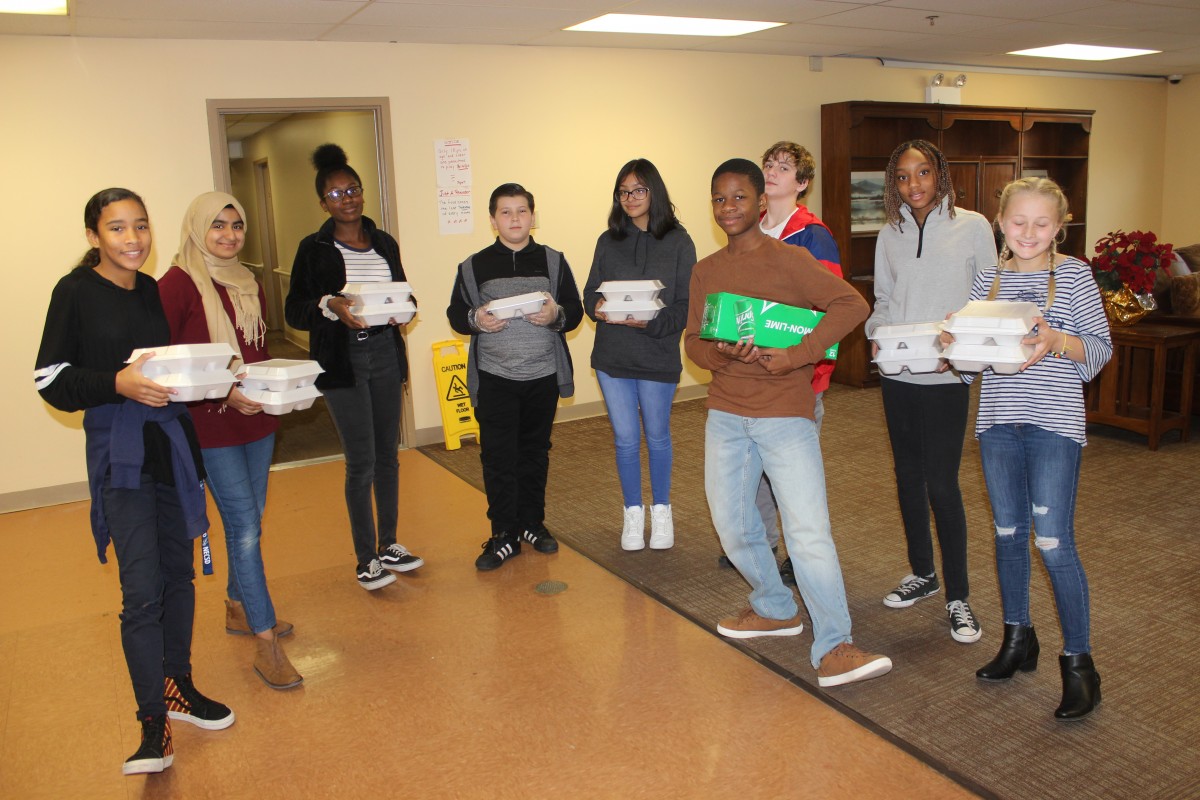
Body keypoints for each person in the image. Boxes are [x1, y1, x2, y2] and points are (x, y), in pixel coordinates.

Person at [34, 188, 234, 776]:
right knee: (141, 590)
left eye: (140, 226)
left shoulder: (150, 289)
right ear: (94, 236)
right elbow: (51, 380)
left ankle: (181, 688)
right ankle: (153, 721)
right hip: (120, 458)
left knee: (178, 577)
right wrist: (115, 384)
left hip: (170, 451)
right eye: (117, 229)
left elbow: (163, 367)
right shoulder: (74, 293)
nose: (132, 239)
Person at [684, 159, 891, 688]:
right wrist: (723, 353)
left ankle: (835, 644)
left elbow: (851, 304)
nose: (728, 208)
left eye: (738, 198)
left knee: (807, 532)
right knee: (733, 526)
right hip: (726, 414)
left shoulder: (791, 259)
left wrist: (797, 354)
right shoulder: (707, 269)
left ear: (759, 202)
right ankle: (775, 607)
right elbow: (693, 343)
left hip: (784, 415)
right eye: (719, 199)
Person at [952, 177, 1110, 720]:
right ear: (1000, 222)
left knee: (1053, 542)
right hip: (997, 423)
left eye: (1042, 224)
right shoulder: (987, 278)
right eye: (1019, 221)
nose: (1029, 232)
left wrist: (1055, 339)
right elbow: (974, 361)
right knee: (1008, 535)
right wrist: (955, 347)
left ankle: (1079, 663)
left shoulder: (1074, 275)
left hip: (1053, 427)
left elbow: (1099, 351)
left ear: (1059, 228)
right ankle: (1019, 638)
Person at [158, 192, 302, 690]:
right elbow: (168, 368)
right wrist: (226, 391)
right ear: (198, 227)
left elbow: (257, 350)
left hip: (257, 419)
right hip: (211, 424)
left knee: (251, 521)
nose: (228, 235)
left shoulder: (247, 281)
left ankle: (238, 608)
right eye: (217, 225)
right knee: (243, 528)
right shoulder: (176, 285)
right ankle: (266, 642)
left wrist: (274, 385)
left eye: (236, 225)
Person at [865, 139, 996, 643]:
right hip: (899, 371)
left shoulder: (974, 226)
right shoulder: (889, 234)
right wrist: (876, 337)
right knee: (906, 477)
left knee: (942, 484)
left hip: (947, 373)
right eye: (902, 176)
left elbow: (988, 296)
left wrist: (960, 346)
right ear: (893, 183)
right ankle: (923, 573)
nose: (912, 184)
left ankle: (959, 597)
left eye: (922, 173)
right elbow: (882, 299)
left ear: (940, 174)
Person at [285, 144, 424, 591]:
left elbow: (403, 293)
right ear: (323, 203)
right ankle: (365, 558)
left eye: (353, 189)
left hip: (385, 352)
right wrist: (330, 304)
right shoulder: (315, 248)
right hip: (342, 360)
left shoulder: (384, 242)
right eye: (336, 193)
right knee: (360, 460)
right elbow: (295, 309)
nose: (347, 198)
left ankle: (390, 544)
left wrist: (407, 308)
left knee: (388, 455)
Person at [447, 183, 583, 571]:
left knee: (535, 453)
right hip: (495, 377)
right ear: (493, 220)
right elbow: (457, 314)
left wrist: (555, 314)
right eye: (505, 212)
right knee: (498, 456)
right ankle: (503, 533)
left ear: (533, 217)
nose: (515, 219)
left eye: (522, 211)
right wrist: (478, 320)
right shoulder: (474, 265)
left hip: (542, 375)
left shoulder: (554, 260)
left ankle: (532, 524)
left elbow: (574, 309)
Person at [728, 141, 844, 582]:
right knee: (753, 469)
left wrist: (809, 368)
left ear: (802, 183)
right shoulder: (746, 229)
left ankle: (800, 553)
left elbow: (828, 310)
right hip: (749, 373)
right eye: (768, 165)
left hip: (797, 374)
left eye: (784, 167)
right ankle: (763, 544)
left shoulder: (813, 235)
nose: (773, 172)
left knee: (795, 477)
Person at [583, 159, 696, 551]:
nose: (630, 198)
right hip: (613, 354)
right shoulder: (607, 239)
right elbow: (589, 294)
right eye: (623, 191)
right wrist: (598, 309)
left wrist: (650, 324)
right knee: (626, 439)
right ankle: (633, 512)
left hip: (657, 353)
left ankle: (661, 510)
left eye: (638, 190)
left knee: (658, 436)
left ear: (654, 192)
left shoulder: (679, 241)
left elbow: (686, 305)